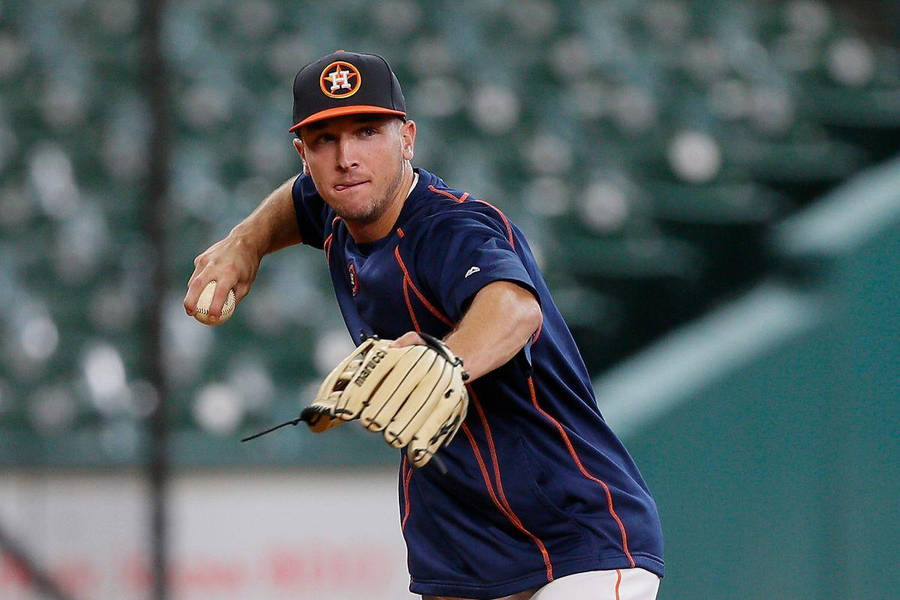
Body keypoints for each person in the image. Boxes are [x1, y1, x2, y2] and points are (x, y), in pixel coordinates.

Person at [184, 50, 664, 600]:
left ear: (407, 138)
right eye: (325, 140)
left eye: (367, 131)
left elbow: (512, 307)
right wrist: (245, 243)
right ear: (304, 156)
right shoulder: (337, 206)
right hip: (462, 555)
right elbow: (295, 205)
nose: (347, 157)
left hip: (575, 539)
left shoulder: (449, 227)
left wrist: (446, 361)